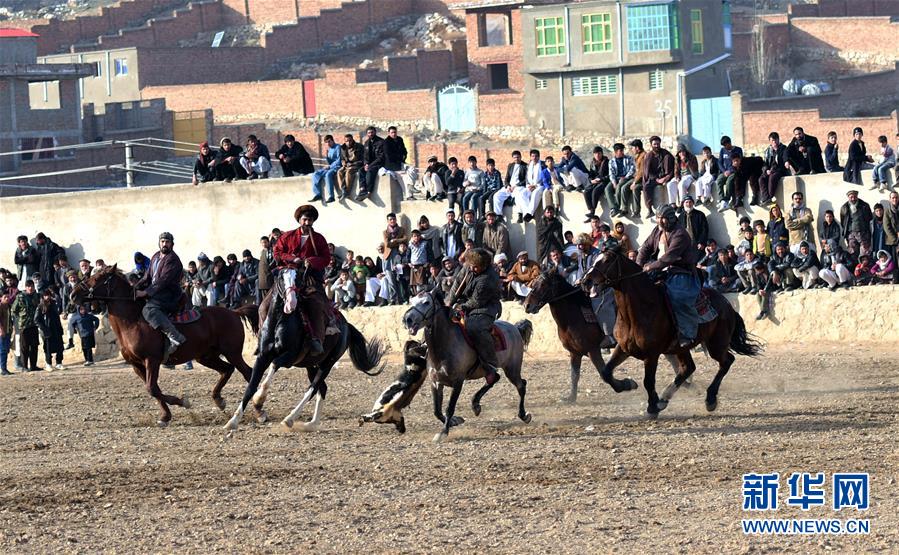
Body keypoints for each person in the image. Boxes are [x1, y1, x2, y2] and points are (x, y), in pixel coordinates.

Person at [636, 205, 700, 347]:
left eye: (663, 218)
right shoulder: (657, 230)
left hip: (680, 271)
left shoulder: (680, 234)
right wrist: (638, 264)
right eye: (658, 218)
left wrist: (649, 267)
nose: (660, 221)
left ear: (670, 218)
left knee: (677, 297)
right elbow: (645, 247)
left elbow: (669, 257)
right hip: (659, 270)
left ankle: (687, 334)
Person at [272, 205, 332, 355]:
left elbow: (326, 258)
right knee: (268, 303)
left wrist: (311, 261)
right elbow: (277, 252)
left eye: (310, 220)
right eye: (304, 219)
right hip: (288, 274)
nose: (307, 223)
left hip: (309, 277)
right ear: (299, 220)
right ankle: (264, 335)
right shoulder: (287, 236)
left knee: (317, 302)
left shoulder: (319, 239)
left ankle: (318, 336)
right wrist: (293, 258)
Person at [446, 248, 502, 385]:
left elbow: (476, 301)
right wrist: (448, 303)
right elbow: (457, 284)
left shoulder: (488, 278)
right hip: (464, 303)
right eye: (470, 265)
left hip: (485, 307)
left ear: (484, 266)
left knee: (474, 328)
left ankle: (490, 364)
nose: (471, 268)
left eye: (475, 267)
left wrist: (460, 308)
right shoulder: (468, 266)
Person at [134, 232, 187, 357]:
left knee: (149, 309)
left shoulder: (173, 260)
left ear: (172, 244)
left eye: (167, 242)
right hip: (157, 293)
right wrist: (135, 288)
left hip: (169, 295)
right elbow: (148, 276)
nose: (165, 244)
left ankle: (175, 336)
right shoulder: (155, 256)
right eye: (162, 241)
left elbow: (163, 281)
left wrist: (145, 292)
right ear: (159, 243)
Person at [642, 136, 675, 220]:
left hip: (666, 177)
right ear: (651, 145)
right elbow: (647, 172)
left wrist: (667, 177)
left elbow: (673, 168)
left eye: (658, 144)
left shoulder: (665, 153)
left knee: (667, 158)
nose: (656, 145)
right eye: (654, 144)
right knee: (646, 186)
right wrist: (657, 179)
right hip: (654, 179)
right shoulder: (649, 156)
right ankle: (650, 209)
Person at [11, 279, 40, 371]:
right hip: (24, 326)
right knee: (25, 347)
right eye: (28, 286)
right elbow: (14, 310)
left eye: (32, 286)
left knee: (34, 346)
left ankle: (33, 366)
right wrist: (20, 319)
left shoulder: (37, 296)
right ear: (26, 287)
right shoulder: (20, 297)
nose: (30, 288)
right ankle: (24, 366)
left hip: (34, 324)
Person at [515, 149, 549, 223]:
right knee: (522, 194)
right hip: (530, 186)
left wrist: (536, 185)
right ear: (530, 157)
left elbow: (545, 177)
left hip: (540, 186)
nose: (534, 158)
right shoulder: (529, 165)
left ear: (539, 157)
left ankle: (530, 213)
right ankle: (528, 212)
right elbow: (527, 177)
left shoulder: (543, 165)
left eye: (536, 156)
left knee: (535, 194)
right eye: (533, 156)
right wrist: (528, 185)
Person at [35, 288, 65, 370]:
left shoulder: (54, 304)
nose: (47, 297)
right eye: (45, 295)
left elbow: (57, 316)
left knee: (60, 346)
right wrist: (44, 329)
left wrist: (60, 327)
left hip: (56, 328)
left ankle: (59, 363)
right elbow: (37, 320)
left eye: (48, 295)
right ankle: (48, 364)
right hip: (47, 330)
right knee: (48, 348)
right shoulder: (40, 306)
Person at [491, 151, 527, 216]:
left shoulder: (525, 166)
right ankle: (498, 215)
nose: (516, 159)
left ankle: (520, 214)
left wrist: (516, 186)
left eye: (518, 157)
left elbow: (526, 180)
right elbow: (506, 178)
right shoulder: (510, 165)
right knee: (497, 196)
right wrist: (508, 186)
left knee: (519, 196)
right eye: (514, 157)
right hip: (509, 187)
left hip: (519, 187)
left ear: (521, 157)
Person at [840, 190, 873, 256]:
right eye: (851, 197)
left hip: (863, 233)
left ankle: (864, 266)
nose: (853, 199)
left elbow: (870, 218)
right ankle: (854, 266)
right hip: (851, 234)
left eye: (855, 197)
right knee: (853, 253)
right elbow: (843, 221)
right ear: (848, 197)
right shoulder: (844, 207)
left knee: (865, 253)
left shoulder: (864, 205)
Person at [607, 143, 636, 218]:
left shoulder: (629, 158)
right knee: (607, 189)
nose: (623, 152)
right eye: (621, 151)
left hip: (627, 178)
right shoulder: (611, 161)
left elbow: (632, 169)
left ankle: (617, 206)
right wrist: (613, 182)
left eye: (623, 150)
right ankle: (613, 207)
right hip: (616, 178)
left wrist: (625, 177)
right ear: (616, 152)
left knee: (620, 186)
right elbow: (611, 173)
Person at [758, 132, 787, 206]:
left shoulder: (783, 148)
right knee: (761, 179)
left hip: (779, 170)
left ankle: (770, 197)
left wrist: (777, 151)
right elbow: (765, 163)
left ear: (778, 140)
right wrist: (766, 170)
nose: (774, 142)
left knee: (772, 177)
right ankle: (765, 198)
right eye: (772, 141)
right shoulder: (768, 151)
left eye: (775, 140)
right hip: (769, 171)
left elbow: (784, 159)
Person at [310, 135, 341, 204]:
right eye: (326, 142)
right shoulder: (329, 150)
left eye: (329, 141)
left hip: (337, 167)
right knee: (315, 174)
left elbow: (339, 161)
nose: (328, 144)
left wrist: (330, 166)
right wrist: (327, 157)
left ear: (333, 140)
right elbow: (330, 162)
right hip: (330, 167)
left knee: (328, 175)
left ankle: (331, 196)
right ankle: (317, 194)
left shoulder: (338, 147)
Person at [715, 136, 743, 212]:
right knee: (719, 180)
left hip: (735, 171)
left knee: (729, 182)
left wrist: (730, 171)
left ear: (729, 143)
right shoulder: (722, 150)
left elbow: (739, 163)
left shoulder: (738, 150)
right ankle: (722, 200)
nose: (725, 147)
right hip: (725, 172)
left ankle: (726, 200)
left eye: (726, 145)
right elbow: (719, 162)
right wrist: (724, 171)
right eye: (723, 146)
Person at [583, 146, 610, 221]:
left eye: (599, 153)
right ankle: (590, 210)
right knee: (586, 192)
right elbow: (590, 174)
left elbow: (609, 175)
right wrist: (592, 180)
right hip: (595, 181)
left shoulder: (607, 162)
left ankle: (592, 212)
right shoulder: (593, 163)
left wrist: (601, 179)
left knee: (595, 192)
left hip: (604, 182)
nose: (597, 155)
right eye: (595, 154)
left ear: (602, 154)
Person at [359, 126, 385, 202]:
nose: (370, 134)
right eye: (369, 133)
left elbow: (381, 157)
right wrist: (366, 164)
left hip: (379, 164)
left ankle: (369, 191)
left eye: (372, 132)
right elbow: (365, 156)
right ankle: (362, 189)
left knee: (370, 171)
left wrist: (370, 165)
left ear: (375, 132)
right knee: (361, 170)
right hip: (369, 164)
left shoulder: (381, 142)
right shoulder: (366, 143)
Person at [337, 134, 364, 200]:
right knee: (339, 172)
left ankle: (347, 192)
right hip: (347, 165)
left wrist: (353, 164)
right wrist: (343, 163)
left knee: (349, 172)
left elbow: (363, 159)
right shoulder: (343, 147)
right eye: (346, 141)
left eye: (350, 141)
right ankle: (343, 191)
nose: (348, 143)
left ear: (352, 140)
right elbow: (342, 158)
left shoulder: (359, 146)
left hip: (356, 165)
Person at [884, 192, 899, 281]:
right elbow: (887, 227)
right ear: (890, 199)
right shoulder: (887, 211)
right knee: (895, 261)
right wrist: (896, 239)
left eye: (896, 197)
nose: (895, 199)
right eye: (893, 198)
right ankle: (896, 279)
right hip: (893, 241)